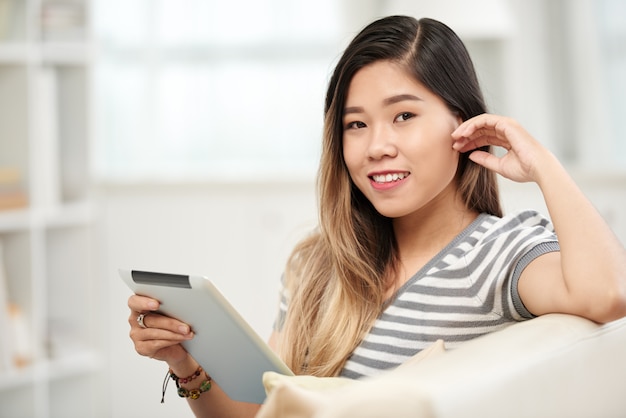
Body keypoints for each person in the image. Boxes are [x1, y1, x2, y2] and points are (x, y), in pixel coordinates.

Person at [127, 15, 626, 417]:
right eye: (356, 124)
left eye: (403, 116)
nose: (376, 147)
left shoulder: (495, 255)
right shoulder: (315, 263)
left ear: (465, 123)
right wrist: (186, 364)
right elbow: (263, 413)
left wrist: (543, 164)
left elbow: (609, 294)